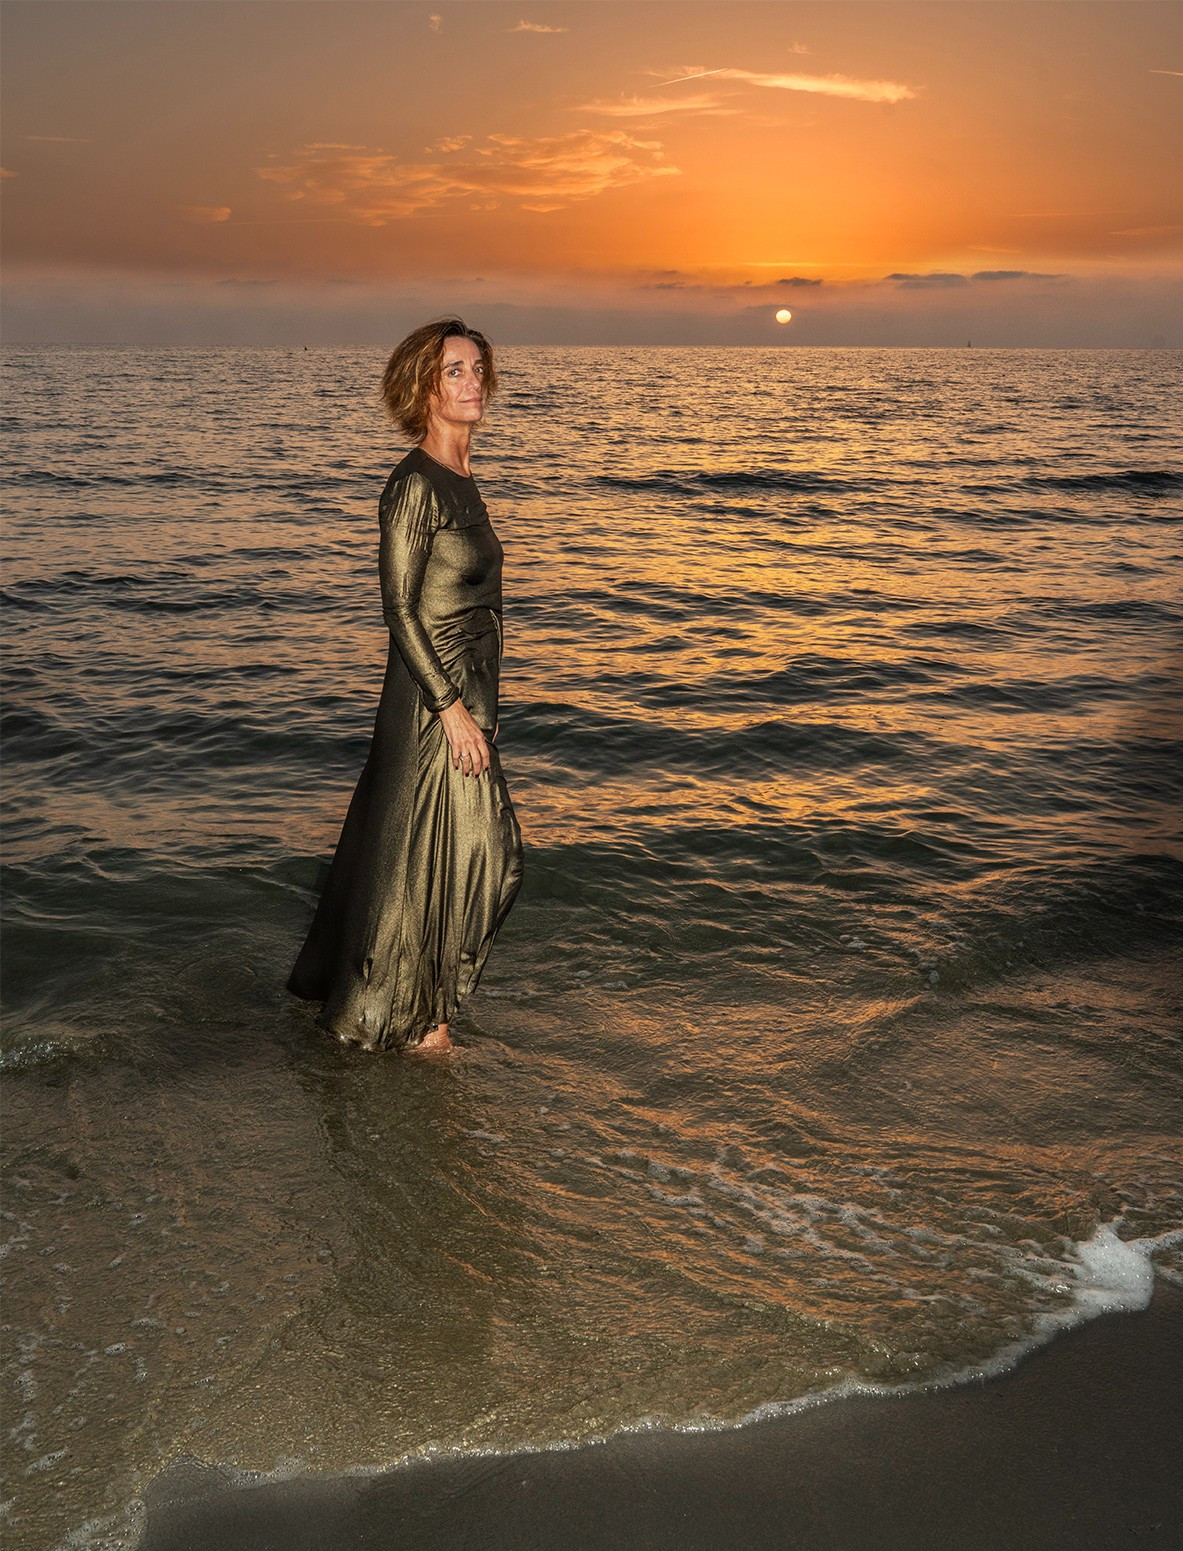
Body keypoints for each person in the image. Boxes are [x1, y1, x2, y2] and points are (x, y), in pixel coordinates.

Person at [288, 319, 523, 1053]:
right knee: (482, 855)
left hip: (466, 702)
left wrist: (478, 705)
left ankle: (427, 1023)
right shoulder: (413, 483)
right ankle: (411, 1022)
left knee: (448, 861)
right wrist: (449, 708)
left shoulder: (462, 478)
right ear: (423, 385)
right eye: (455, 370)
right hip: (432, 706)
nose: (473, 381)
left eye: (478, 368)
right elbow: (397, 608)